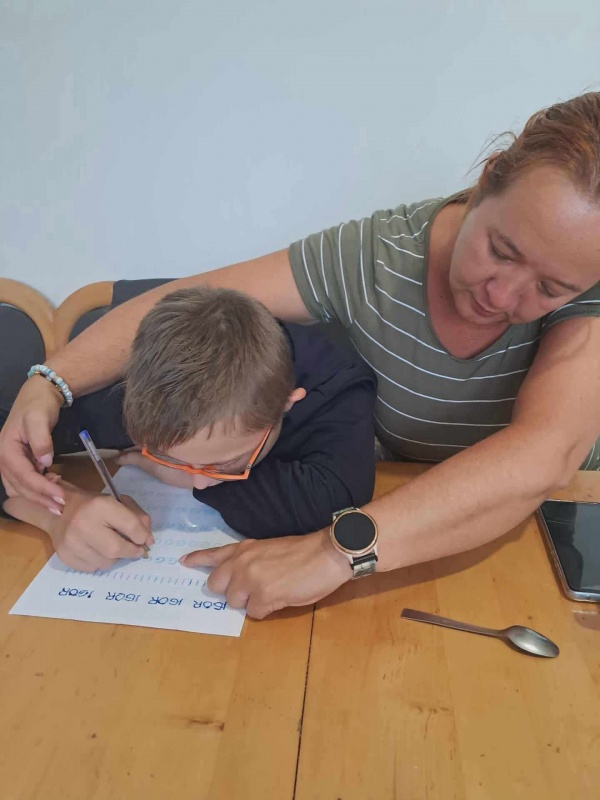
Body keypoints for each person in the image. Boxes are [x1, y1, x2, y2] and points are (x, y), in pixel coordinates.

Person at [2, 92, 600, 619]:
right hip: (406, 522)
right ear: (488, 179)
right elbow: (187, 303)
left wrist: (336, 552)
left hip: (548, 537)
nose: (503, 297)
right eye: (500, 250)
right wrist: (50, 384)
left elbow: (542, 456)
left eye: (551, 289)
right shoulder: (375, 254)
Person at [1, 286, 376, 572]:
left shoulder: (337, 388)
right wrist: (57, 511)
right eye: (170, 456)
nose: (198, 481)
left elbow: (335, 505)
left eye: (225, 463)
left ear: (287, 404)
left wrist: (168, 471)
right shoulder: (132, 389)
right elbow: (11, 444)